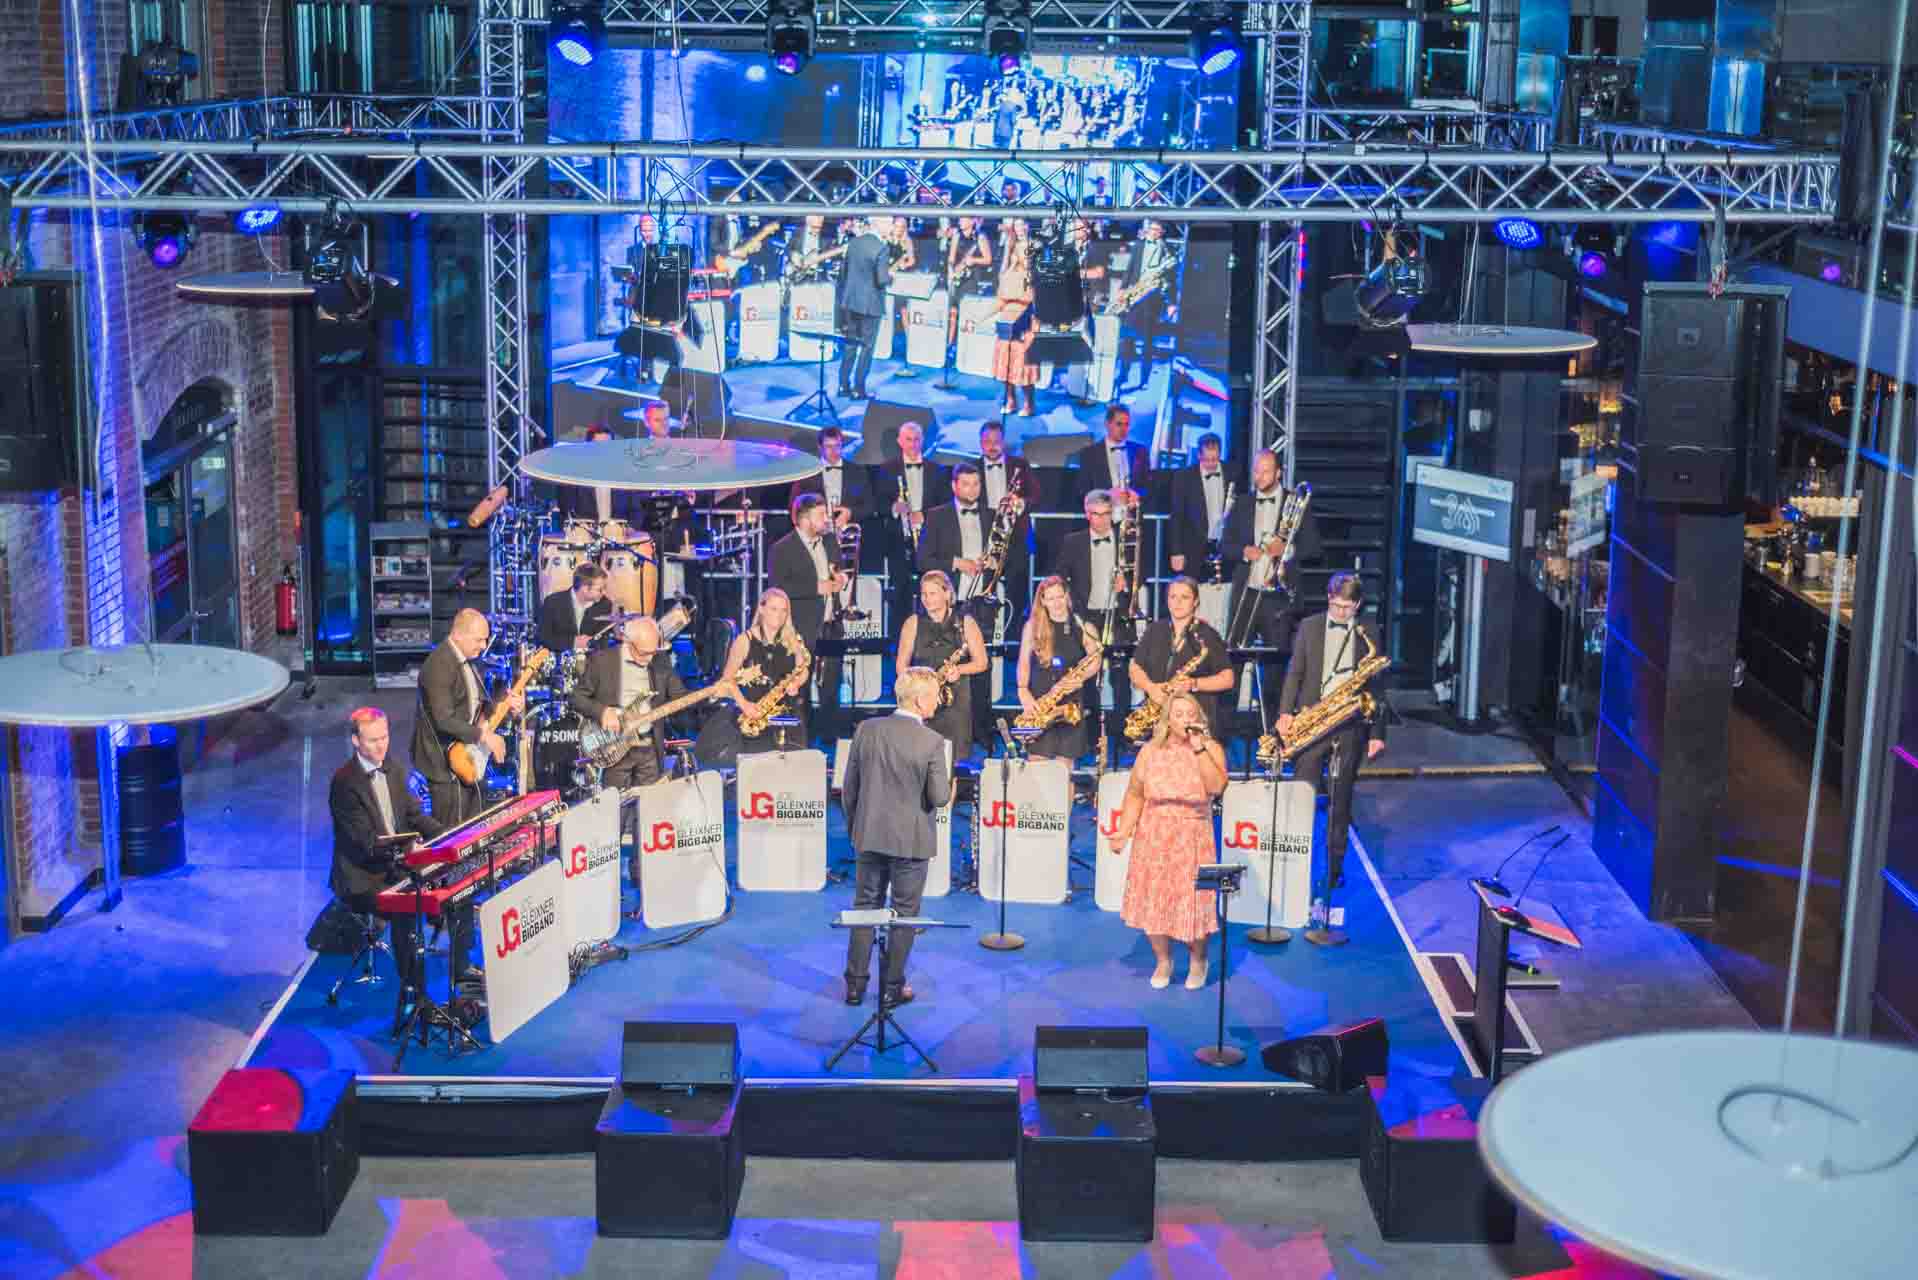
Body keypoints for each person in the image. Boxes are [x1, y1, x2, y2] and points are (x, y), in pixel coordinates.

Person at [841, 666, 953, 1008]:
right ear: (919, 701)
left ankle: (855, 987)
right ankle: (892, 988)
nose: (938, 702)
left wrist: (857, 829)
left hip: (869, 836)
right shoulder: (932, 741)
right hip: (911, 842)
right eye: (935, 696)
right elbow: (939, 798)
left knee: (865, 907)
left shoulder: (866, 729)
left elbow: (849, 788)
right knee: (904, 915)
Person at [1105, 691, 1228, 989]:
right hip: (1154, 834)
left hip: (1192, 835)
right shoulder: (1150, 751)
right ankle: (1163, 960)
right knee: (1154, 901)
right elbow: (1135, 793)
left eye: (1191, 714)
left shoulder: (1211, 748)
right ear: (1168, 720)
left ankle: (1198, 960)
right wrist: (1124, 831)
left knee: (1194, 902)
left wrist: (1199, 748)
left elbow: (1216, 786)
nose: (1185, 719)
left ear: (1199, 719)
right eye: (1179, 714)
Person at [329, 707, 449, 1002]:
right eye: (373, 740)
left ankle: (454, 971)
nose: (382, 745)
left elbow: (415, 815)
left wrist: (448, 838)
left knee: (447, 883)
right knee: (407, 907)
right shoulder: (344, 783)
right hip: (363, 875)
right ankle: (414, 995)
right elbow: (365, 843)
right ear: (356, 741)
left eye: (384, 737)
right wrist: (410, 851)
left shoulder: (393, 769)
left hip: (394, 863)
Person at [1278, 573, 1388, 892]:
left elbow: (1376, 685)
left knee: (1341, 801)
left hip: (1349, 724)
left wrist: (1377, 733)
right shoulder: (1309, 626)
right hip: (1313, 721)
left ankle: (1335, 869)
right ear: (1328, 598)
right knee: (1302, 795)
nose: (1340, 612)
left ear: (1358, 604)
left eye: (1347, 608)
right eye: (1336, 605)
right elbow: (1295, 672)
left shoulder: (1368, 631)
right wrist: (1285, 713)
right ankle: (1294, 864)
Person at [1224, 448, 1323, 721]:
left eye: (1265, 471)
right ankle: (1225, 728)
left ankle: (1272, 729)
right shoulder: (1243, 503)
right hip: (1247, 594)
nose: (1259, 476)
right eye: (1256, 471)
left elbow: (1314, 548)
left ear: (1278, 473)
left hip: (1278, 599)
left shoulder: (1296, 503)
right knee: (1233, 659)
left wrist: (1287, 549)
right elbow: (1225, 546)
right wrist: (1245, 551)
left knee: (1275, 669)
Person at [409, 609, 519, 827]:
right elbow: (443, 719)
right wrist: (484, 737)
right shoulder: (439, 665)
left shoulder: (467, 660)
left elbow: (476, 708)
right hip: (443, 765)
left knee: (472, 825)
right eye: (478, 640)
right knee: (452, 831)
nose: (483, 646)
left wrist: (507, 707)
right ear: (458, 635)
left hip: (466, 757)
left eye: (485, 640)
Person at [570, 614, 693, 793]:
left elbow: (680, 696)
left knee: (651, 803)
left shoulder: (660, 660)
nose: (649, 659)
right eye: (644, 653)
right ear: (628, 642)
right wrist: (602, 712)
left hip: (649, 749)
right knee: (617, 804)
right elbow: (576, 697)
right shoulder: (602, 661)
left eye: (653, 652)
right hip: (614, 747)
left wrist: (708, 695)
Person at [694, 589, 811, 763]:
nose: (779, 615)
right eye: (773, 609)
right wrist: (744, 705)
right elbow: (727, 680)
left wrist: (797, 683)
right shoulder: (744, 640)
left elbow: (803, 669)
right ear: (761, 609)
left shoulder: (792, 639)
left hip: (786, 713)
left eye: (783, 610)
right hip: (754, 713)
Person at [1058, 489, 1135, 741]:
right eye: (1096, 514)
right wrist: (1073, 613)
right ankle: (1090, 736)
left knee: (1120, 677)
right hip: (1087, 617)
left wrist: (1128, 582)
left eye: (1106, 514)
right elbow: (1060, 577)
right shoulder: (1072, 541)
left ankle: (1123, 734)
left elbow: (1141, 572)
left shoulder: (1125, 539)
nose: (1101, 520)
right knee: (1088, 677)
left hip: (1118, 615)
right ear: (1086, 514)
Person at [769, 493, 848, 736]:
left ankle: (830, 739)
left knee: (831, 686)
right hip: (801, 629)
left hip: (831, 624)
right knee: (799, 687)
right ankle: (800, 739)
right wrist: (816, 587)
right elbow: (779, 587)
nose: (827, 519)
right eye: (821, 515)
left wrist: (841, 578)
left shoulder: (830, 541)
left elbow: (838, 569)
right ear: (804, 520)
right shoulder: (782, 548)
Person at [896, 570, 987, 763]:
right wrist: (916, 689)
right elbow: (901, 666)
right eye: (924, 594)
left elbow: (982, 662)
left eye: (932, 593)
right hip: (921, 702)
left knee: (955, 761)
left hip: (955, 702)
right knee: (920, 761)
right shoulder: (912, 623)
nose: (927, 599)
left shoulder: (966, 622)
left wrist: (959, 670)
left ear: (947, 594)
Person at [1129, 576, 1233, 740]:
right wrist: (1151, 688)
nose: (1178, 602)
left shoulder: (1207, 635)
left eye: (1185, 597)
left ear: (1195, 602)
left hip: (1195, 722)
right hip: (1159, 720)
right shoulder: (1155, 630)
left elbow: (1228, 679)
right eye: (1173, 597)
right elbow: (1135, 668)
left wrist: (1194, 684)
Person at [1016, 575, 1102, 762]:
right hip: (1040, 703)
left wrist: (1080, 678)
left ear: (1067, 596)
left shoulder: (1083, 626)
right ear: (1043, 601)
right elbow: (1023, 663)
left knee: (1064, 771)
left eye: (1060, 597)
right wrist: (1023, 692)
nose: (1056, 603)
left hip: (1070, 704)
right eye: (1051, 598)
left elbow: (1095, 660)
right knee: (1037, 769)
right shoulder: (1032, 627)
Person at [877, 422, 949, 628]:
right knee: (900, 592)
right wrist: (894, 508)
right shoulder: (886, 469)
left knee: (932, 589)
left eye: (917, 439)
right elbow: (878, 503)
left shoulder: (937, 470)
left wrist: (925, 515)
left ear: (922, 441)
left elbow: (946, 504)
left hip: (931, 540)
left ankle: (933, 632)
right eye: (908, 439)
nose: (913, 444)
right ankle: (899, 637)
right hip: (898, 541)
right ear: (900, 441)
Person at [1116, 219, 1179, 392]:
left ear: (1162, 232)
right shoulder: (1138, 246)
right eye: (1151, 229)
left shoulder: (1168, 250)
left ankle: (1144, 380)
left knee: (1148, 343)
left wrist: (1172, 302)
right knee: (1127, 340)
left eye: (1157, 230)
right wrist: (1122, 288)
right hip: (1134, 297)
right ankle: (1123, 374)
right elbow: (1130, 269)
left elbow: (1172, 279)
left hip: (1153, 299)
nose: (1153, 232)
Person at [837, 217, 893, 400]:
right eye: (889, 223)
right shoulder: (881, 248)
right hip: (870, 305)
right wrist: (891, 276)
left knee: (850, 345)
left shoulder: (854, 243)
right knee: (867, 348)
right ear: (878, 224)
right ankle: (858, 389)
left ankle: (843, 386)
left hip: (851, 302)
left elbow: (844, 273)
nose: (891, 227)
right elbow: (882, 280)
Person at [992, 218, 1039, 418]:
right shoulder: (1009, 251)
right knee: (1006, 359)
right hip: (1008, 312)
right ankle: (1010, 400)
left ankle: (1029, 403)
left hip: (1027, 312)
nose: (1019, 229)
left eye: (1022, 224)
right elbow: (1001, 279)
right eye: (1016, 225)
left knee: (1024, 361)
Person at [1167, 433, 1231, 579]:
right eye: (1206, 459)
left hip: (1224, 547)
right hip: (1194, 547)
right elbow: (1177, 516)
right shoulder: (1184, 477)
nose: (1211, 464)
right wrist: (1176, 552)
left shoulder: (1232, 472)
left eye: (1215, 459)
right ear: (1199, 455)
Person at [1072, 402, 1148, 511]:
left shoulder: (1140, 451)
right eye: (1119, 424)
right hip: (1103, 515)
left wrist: (1137, 494)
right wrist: (1106, 496)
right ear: (1107, 424)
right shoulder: (1090, 454)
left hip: (1132, 515)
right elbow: (1083, 490)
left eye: (1127, 424)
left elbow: (1148, 486)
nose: (1123, 429)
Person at [536, 561, 613, 657]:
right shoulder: (553, 602)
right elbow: (543, 638)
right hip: (560, 661)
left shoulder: (605, 605)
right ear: (585, 588)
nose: (604, 592)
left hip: (592, 661)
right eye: (600, 589)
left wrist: (592, 644)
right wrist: (573, 641)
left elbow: (604, 641)